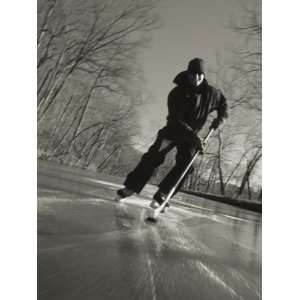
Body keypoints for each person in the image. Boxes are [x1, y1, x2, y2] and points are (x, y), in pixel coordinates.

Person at [116, 58, 228, 209]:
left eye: (200, 74)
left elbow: (223, 104)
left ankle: (163, 193)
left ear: (204, 74)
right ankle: (131, 187)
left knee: (187, 164)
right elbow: (175, 119)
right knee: (153, 157)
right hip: (173, 130)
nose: (196, 78)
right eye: (193, 74)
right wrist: (194, 137)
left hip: (192, 137)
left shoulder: (212, 94)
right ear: (187, 73)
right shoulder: (176, 93)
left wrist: (220, 119)